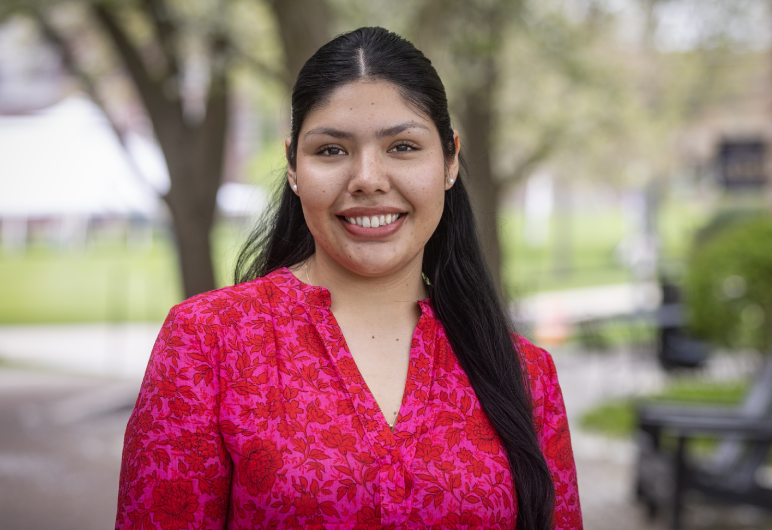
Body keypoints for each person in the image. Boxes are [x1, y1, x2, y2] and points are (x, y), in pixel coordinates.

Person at [115, 27, 582, 530]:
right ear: (293, 165)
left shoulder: (524, 374)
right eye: (332, 151)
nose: (367, 178)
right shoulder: (209, 342)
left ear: (449, 160)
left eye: (402, 147)